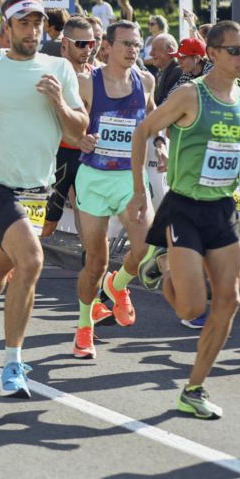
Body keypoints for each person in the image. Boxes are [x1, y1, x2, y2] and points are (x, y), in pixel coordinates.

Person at [128, 21, 240, 419]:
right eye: (234, 50)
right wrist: (140, 191)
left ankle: (193, 389)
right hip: (183, 208)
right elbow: (143, 130)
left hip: (220, 209)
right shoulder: (188, 95)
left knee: (229, 300)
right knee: (191, 308)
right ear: (212, 54)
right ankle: (159, 264)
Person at [0, 0, 87, 398]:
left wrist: (59, 101)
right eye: (24, 24)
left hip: (37, 188)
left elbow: (77, 131)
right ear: (6, 28)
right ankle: (11, 364)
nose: (33, 30)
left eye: (38, 23)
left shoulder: (59, 68)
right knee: (31, 259)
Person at [71, 20, 165, 359]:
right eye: (125, 44)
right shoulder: (87, 82)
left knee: (144, 248)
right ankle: (84, 326)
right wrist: (78, 138)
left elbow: (153, 116)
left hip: (130, 177)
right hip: (94, 179)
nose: (132, 50)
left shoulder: (146, 80)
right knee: (95, 262)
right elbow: (67, 124)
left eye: (136, 45)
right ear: (106, 46)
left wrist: (160, 140)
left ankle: (117, 285)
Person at [42, 17, 97, 238]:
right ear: (65, 43)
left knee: (88, 217)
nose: (88, 49)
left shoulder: (97, 75)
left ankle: (90, 267)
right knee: (46, 227)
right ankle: (16, 260)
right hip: (59, 155)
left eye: (92, 43)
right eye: (81, 44)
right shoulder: (52, 74)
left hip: (89, 156)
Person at [149, 34, 181, 105]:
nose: (151, 54)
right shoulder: (161, 72)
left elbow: (168, 104)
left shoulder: (177, 73)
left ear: (170, 51)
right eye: (151, 49)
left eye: (155, 49)